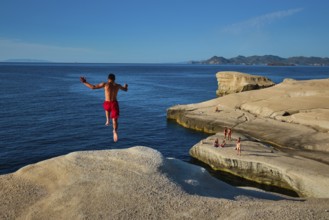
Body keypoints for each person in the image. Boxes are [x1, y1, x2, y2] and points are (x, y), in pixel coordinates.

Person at [80, 73, 128, 142]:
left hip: (107, 103)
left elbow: (93, 87)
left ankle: (107, 120)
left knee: (107, 109)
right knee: (115, 120)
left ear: (108, 79)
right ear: (114, 79)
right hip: (114, 103)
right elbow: (125, 90)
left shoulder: (105, 84)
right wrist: (126, 86)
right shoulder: (117, 85)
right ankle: (114, 131)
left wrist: (84, 82)